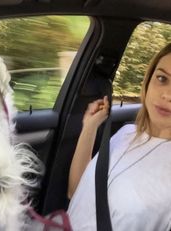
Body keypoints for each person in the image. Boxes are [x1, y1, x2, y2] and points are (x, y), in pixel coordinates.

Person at [67, 43, 171, 231]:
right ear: (148, 81)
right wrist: (89, 128)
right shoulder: (126, 133)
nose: (168, 95)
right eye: (162, 78)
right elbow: (76, 191)